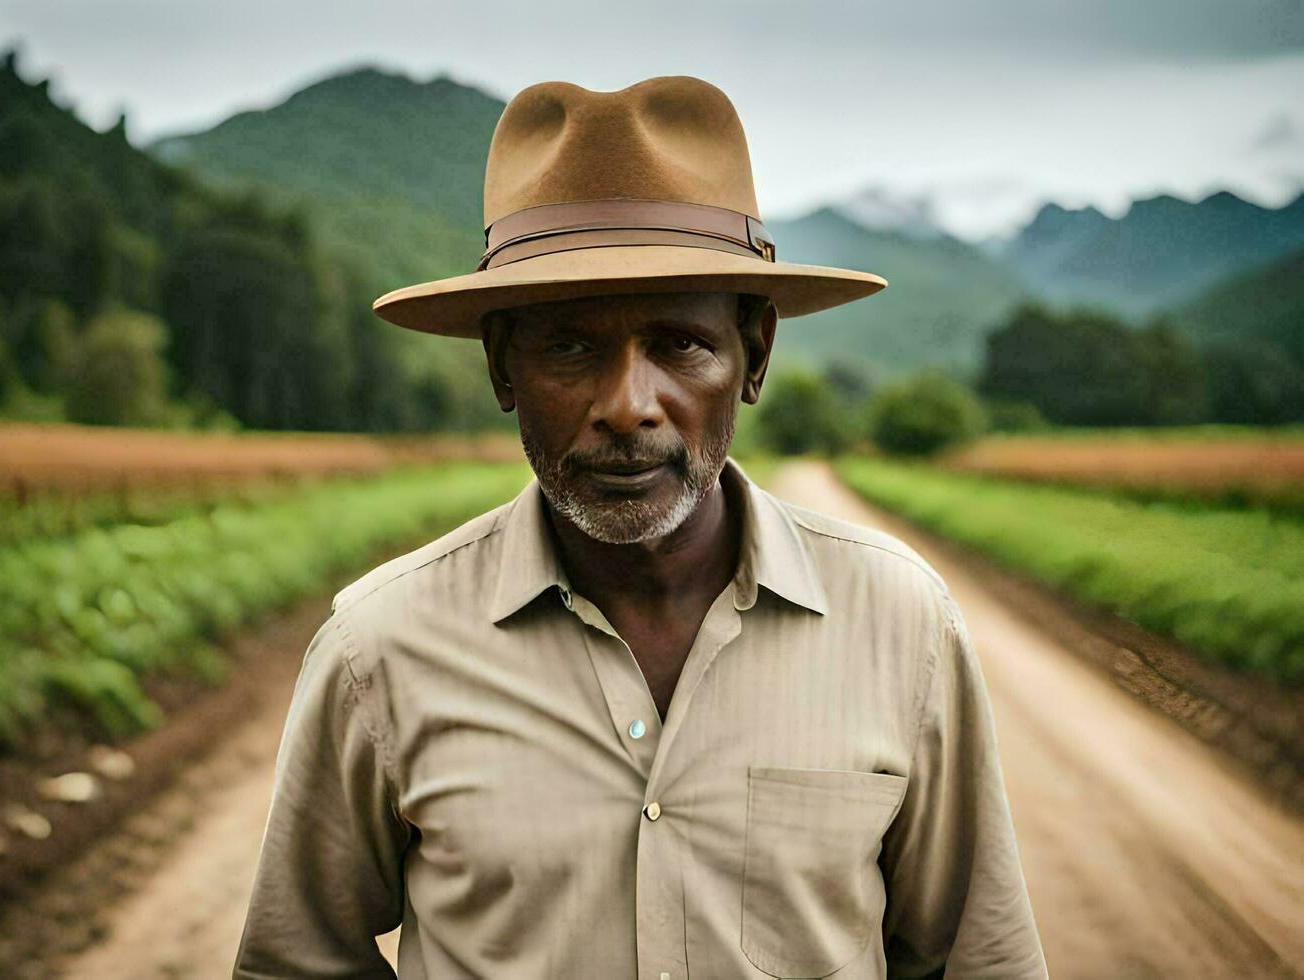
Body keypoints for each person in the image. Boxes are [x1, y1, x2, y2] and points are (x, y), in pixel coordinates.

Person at [233, 75, 1047, 979]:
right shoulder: (379, 647)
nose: (628, 407)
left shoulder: (902, 624)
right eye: (570, 347)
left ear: (755, 356)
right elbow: (296, 962)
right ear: (505, 368)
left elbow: (978, 960)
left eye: (679, 344)